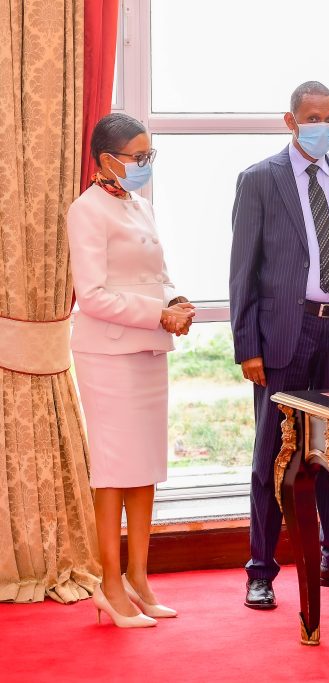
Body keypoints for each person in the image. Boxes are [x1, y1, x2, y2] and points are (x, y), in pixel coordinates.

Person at [230, 81, 329, 610]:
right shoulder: (258, 181)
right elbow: (242, 272)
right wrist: (247, 346)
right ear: (291, 120)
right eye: (314, 116)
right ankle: (261, 568)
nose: (325, 125)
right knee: (274, 454)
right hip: (284, 335)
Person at [69, 113, 195, 628]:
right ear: (106, 160)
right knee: (115, 472)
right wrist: (155, 313)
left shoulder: (140, 204)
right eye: (138, 157)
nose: (145, 165)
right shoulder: (86, 210)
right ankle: (110, 583)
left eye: (149, 156)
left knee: (144, 469)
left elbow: (156, 274)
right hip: (108, 354)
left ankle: (140, 578)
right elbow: (92, 295)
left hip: (147, 350)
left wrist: (176, 300)